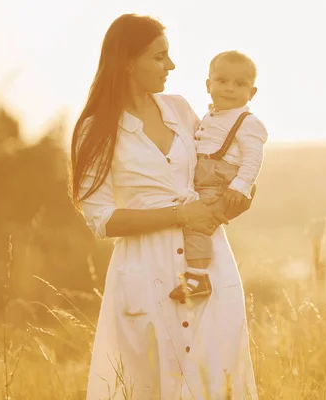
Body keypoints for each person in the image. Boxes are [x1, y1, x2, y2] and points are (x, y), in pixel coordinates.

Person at [70, 14, 258, 399]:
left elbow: (219, 168)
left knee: (216, 384)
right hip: (145, 272)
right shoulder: (95, 128)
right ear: (127, 62)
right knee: (148, 387)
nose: (170, 66)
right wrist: (179, 215)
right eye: (159, 57)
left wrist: (231, 200)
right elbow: (102, 219)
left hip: (208, 262)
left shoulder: (180, 109)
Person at [169, 50, 268, 301]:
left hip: (221, 179)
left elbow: (253, 157)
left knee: (198, 223)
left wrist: (239, 186)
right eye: (222, 81)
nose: (229, 88)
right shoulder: (212, 115)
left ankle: (197, 276)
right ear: (208, 85)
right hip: (204, 175)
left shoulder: (247, 121)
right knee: (190, 217)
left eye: (240, 84)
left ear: (252, 93)